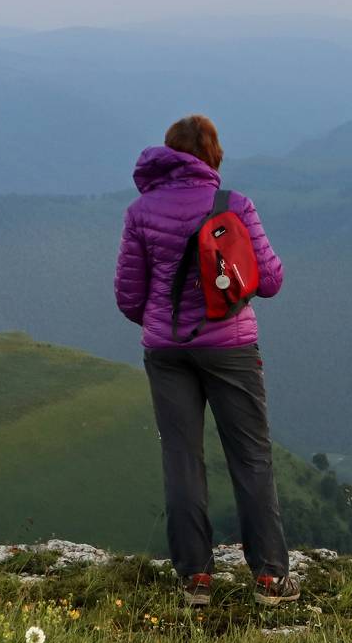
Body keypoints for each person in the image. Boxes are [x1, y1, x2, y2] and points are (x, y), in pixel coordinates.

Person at [114, 114, 296, 608]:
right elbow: (272, 280)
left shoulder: (141, 211)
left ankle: (195, 579)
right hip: (231, 348)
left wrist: (163, 326)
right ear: (213, 154)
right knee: (251, 458)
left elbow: (128, 297)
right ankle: (270, 579)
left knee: (181, 459)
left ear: (168, 154)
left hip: (166, 352)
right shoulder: (234, 206)